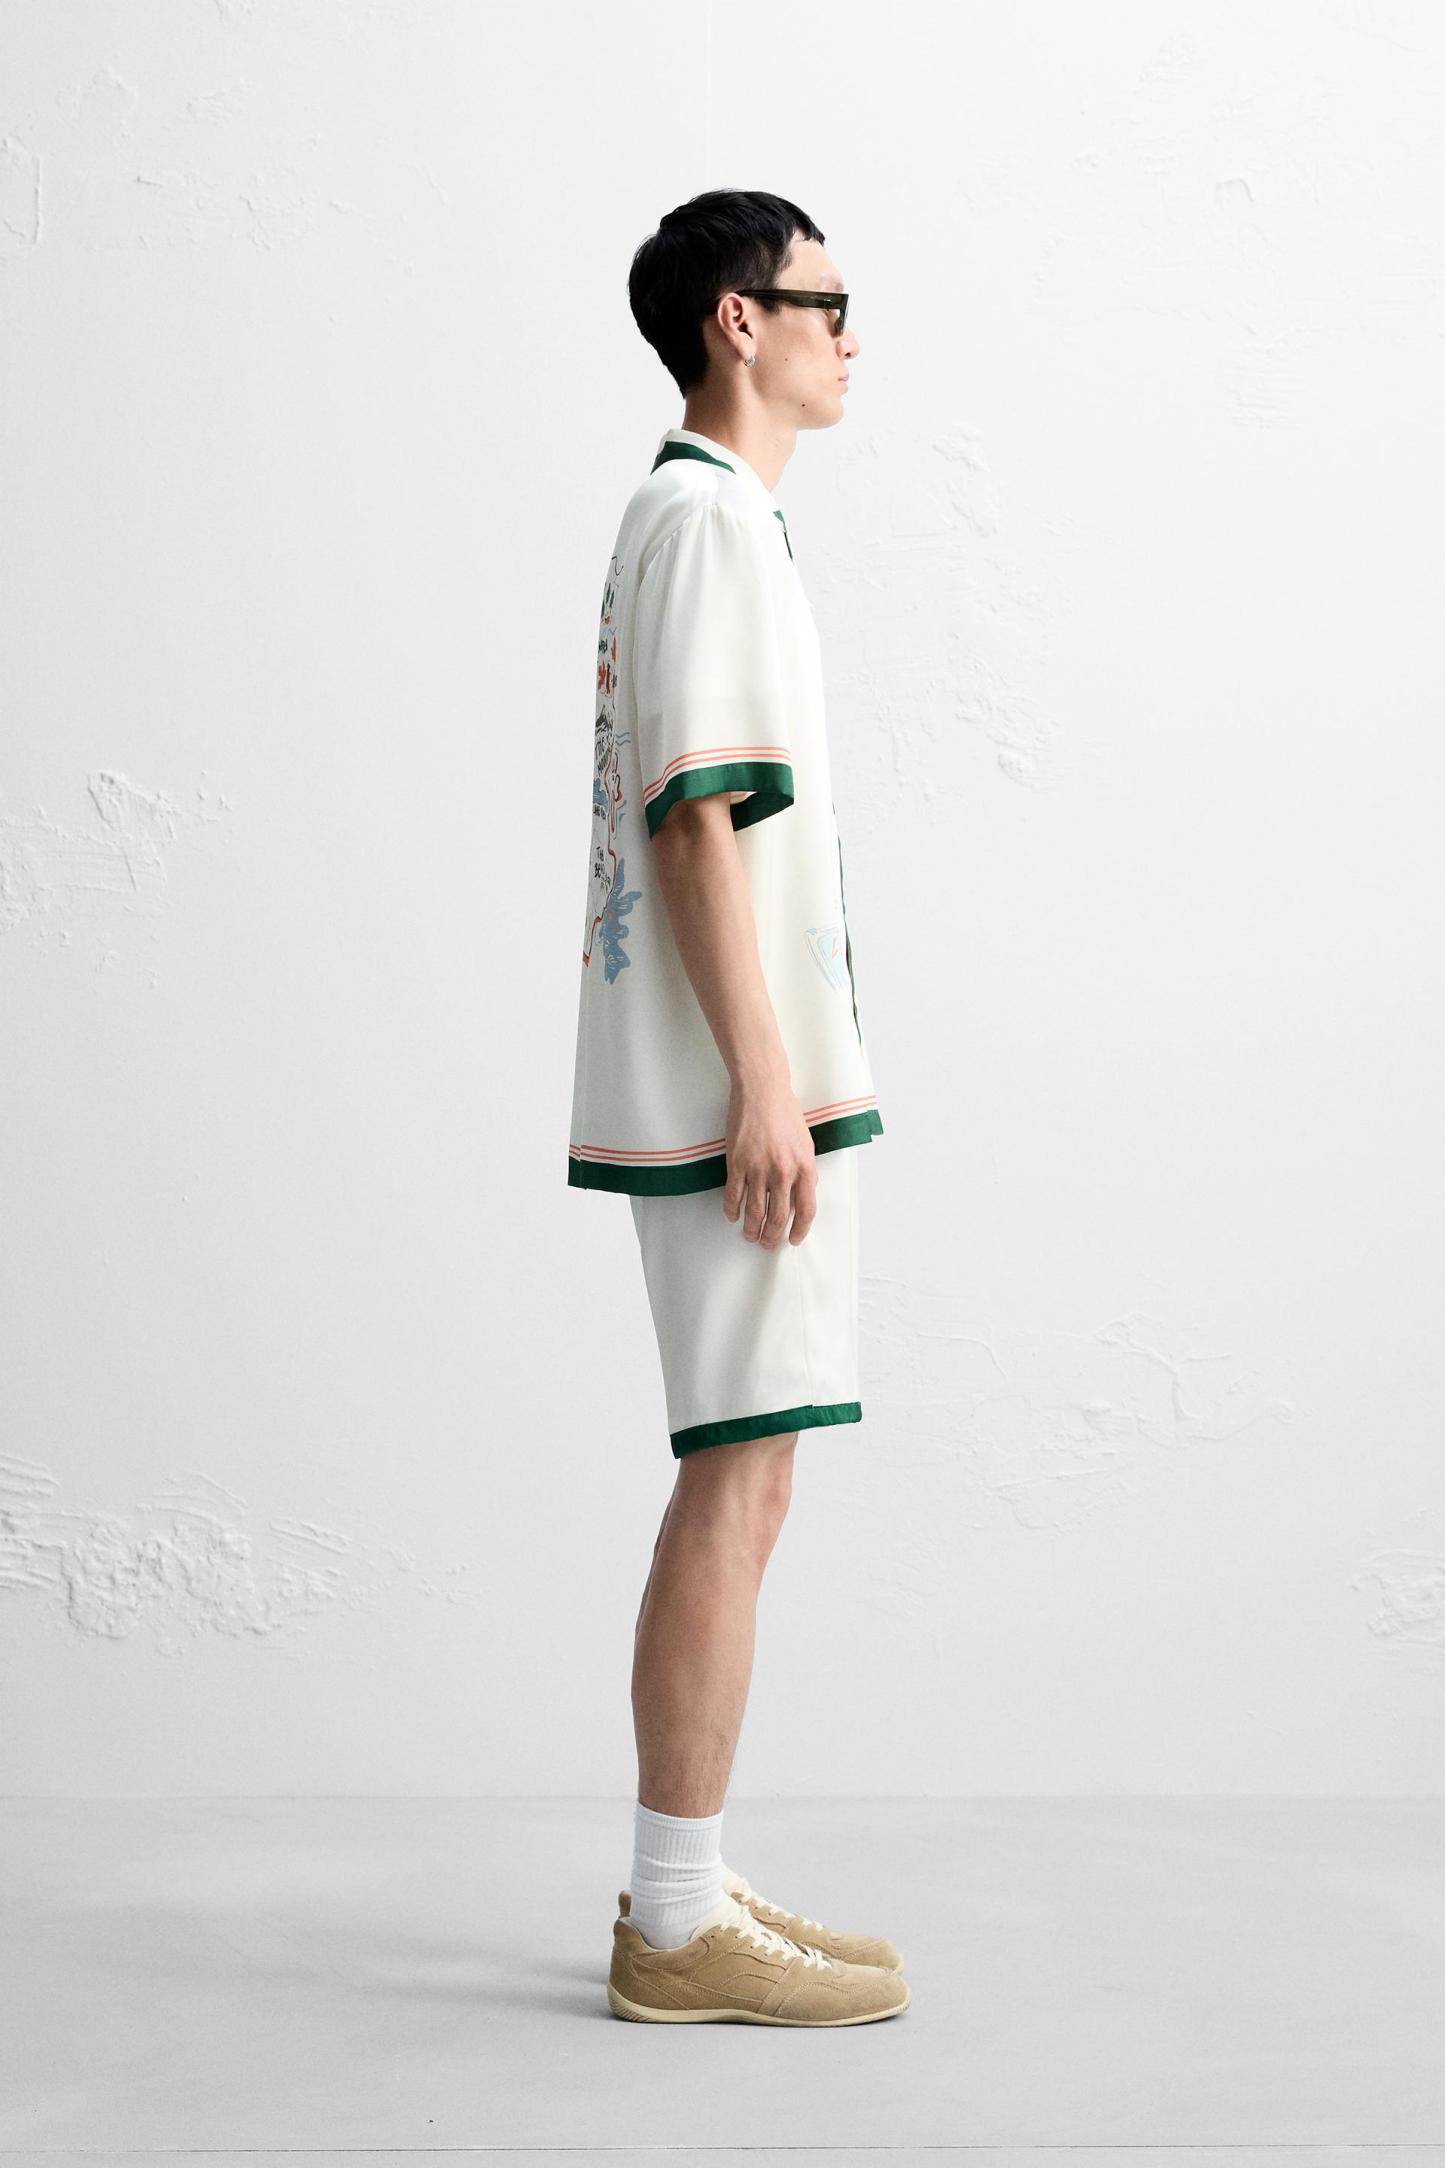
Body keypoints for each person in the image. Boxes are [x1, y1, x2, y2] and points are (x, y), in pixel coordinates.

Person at [567, 189, 908, 2025]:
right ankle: (676, 1919)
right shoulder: (702, 520)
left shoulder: (713, 518)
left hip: (736, 1085)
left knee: (749, 1475)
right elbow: (694, 819)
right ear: (736, 320)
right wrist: (766, 1091)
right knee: (734, 1476)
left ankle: (684, 1887)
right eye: (825, 303)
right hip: (731, 1100)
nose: (850, 336)